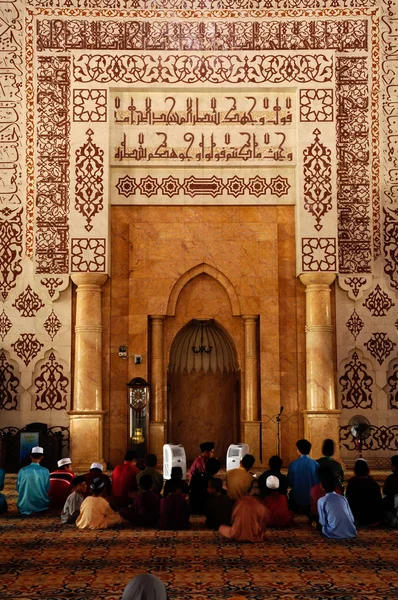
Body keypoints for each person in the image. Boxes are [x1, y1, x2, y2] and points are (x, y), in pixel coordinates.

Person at [317, 470, 357, 539]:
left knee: (316, 524)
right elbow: (352, 519)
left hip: (332, 532)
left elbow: (323, 522)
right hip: (351, 531)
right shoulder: (343, 498)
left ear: (322, 487)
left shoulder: (322, 500)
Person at [346, 459, 383, 526]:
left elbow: (348, 496)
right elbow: (379, 500)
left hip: (356, 516)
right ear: (367, 469)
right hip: (372, 518)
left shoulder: (352, 482)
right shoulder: (373, 483)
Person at [287, 439, 319, 514]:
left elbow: (290, 482)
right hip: (312, 499)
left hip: (297, 499)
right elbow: (318, 482)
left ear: (298, 450)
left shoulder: (293, 464)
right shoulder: (316, 464)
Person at [16, 446, 50, 515]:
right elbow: (47, 488)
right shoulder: (45, 471)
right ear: (42, 457)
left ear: (31, 456)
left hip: (24, 506)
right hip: (41, 506)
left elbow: (18, 488)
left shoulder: (22, 470)